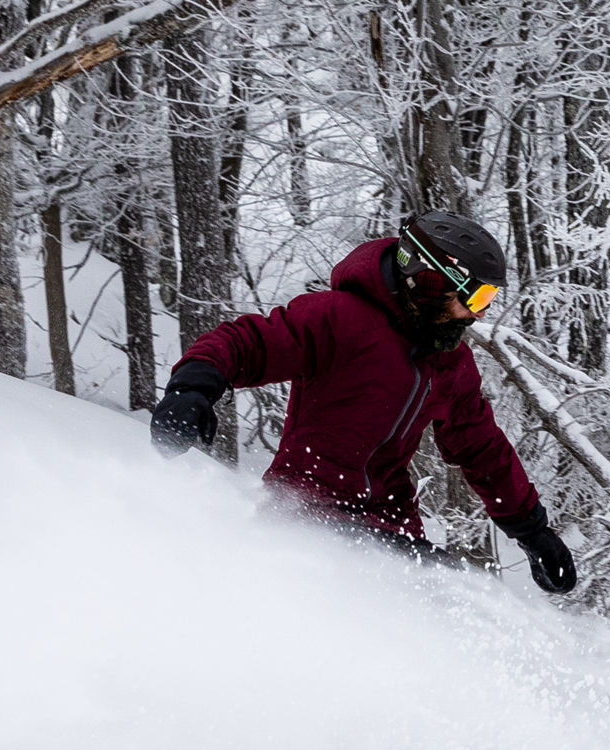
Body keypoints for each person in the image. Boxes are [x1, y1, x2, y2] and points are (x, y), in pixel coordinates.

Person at [148, 211, 578, 593]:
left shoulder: (451, 361)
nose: (479, 314)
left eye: (489, 300)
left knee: (446, 603)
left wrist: (533, 531)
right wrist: (193, 388)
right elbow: (247, 343)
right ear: (429, 281)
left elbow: (482, 448)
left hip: (391, 526)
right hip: (307, 519)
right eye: (476, 297)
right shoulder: (338, 318)